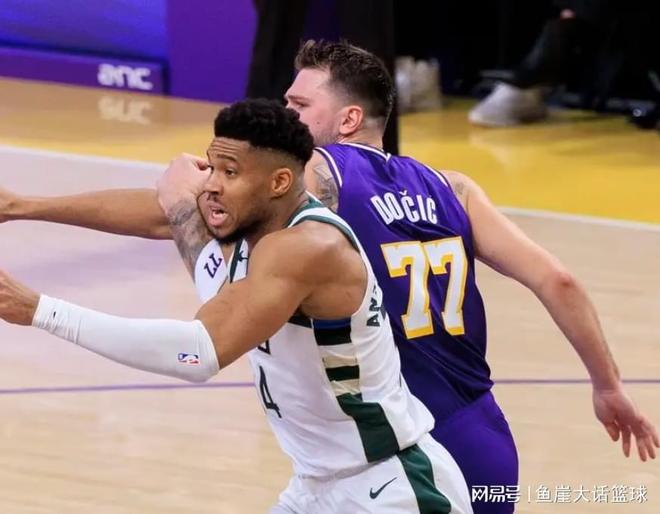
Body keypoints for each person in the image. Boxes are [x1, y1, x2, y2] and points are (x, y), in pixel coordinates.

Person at [0, 40, 657, 514]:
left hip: (398, 447)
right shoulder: (452, 186)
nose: (285, 113)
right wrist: (607, 386)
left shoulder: (319, 175)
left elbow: (177, 219)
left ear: (346, 121)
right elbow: (558, 281)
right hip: (477, 432)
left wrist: (32, 207)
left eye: (298, 103)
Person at [0, 99, 472, 514]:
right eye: (210, 168)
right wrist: (21, 206)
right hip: (318, 485)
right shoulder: (256, 222)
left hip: (392, 488)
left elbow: (196, 354)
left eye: (229, 173)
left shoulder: (308, 246)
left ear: (279, 182)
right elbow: (163, 215)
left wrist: (39, 311)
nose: (211, 185)